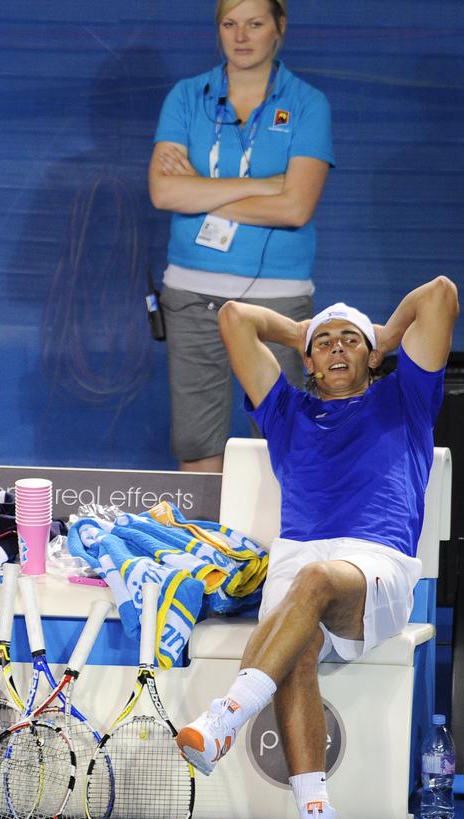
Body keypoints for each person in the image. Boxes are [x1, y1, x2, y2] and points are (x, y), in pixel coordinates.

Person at [174, 275, 459, 819]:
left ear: (372, 356)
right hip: (299, 559)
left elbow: (441, 294)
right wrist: (300, 331)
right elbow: (233, 317)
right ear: (308, 362)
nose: (336, 348)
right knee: (295, 646)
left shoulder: (405, 398)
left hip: (375, 561)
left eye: (349, 340)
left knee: (313, 581)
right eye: (324, 344)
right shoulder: (287, 410)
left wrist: (385, 334)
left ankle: (227, 716)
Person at [150, 0, 334, 473]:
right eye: (230, 24)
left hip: (278, 299)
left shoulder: (308, 103)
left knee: (282, 441)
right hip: (191, 294)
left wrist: (199, 190)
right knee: (196, 441)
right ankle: (201, 527)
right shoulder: (186, 96)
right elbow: (164, 192)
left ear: (279, 27)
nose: (241, 36)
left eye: (255, 23)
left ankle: (280, 528)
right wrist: (267, 185)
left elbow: (296, 208)